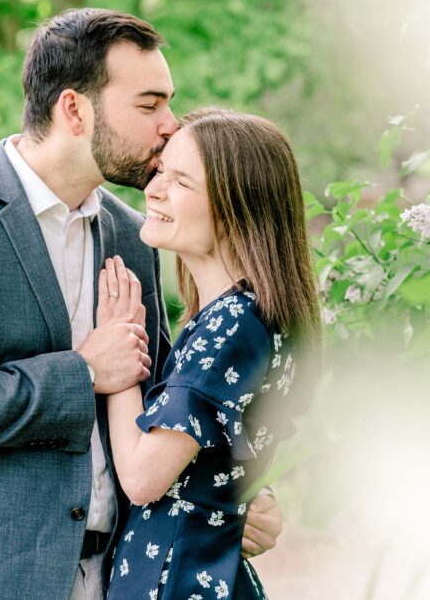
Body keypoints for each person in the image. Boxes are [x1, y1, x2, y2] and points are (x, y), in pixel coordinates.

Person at [0, 9, 283, 600]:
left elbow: (167, 398)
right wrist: (87, 371)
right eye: (149, 105)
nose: (170, 125)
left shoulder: (133, 235)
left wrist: (231, 492)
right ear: (75, 109)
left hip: (110, 575)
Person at [103, 108, 321, 599]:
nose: (153, 189)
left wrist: (119, 355)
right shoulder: (249, 316)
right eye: (161, 171)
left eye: (179, 181)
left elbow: (142, 477)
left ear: (238, 206)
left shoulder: (231, 325)